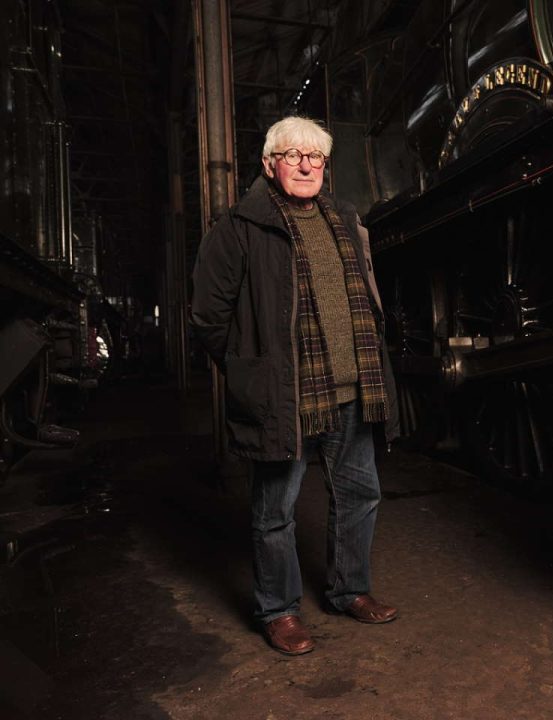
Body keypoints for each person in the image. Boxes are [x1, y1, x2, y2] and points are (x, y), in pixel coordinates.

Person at [191, 116, 400, 656]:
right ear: (269, 164)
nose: (306, 165)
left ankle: (349, 590)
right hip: (287, 396)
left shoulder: (345, 219)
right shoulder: (239, 226)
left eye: (316, 158)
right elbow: (209, 316)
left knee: (360, 495)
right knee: (275, 509)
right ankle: (278, 610)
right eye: (293, 155)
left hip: (354, 389)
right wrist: (251, 374)